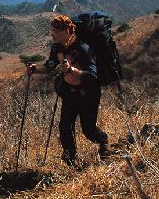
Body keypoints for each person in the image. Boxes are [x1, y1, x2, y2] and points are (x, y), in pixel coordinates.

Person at [26, 15, 111, 168]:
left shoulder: (83, 48)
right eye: (52, 31)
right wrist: (36, 69)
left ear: (66, 31)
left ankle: (104, 141)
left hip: (88, 94)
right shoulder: (57, 48)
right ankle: (71, 159)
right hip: (70, 93)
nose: (52, 34)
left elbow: (92, 75)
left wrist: (72, 70)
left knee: (88, 129)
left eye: (55, 32)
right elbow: (50, 66)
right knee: (65, 126)